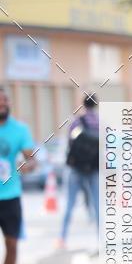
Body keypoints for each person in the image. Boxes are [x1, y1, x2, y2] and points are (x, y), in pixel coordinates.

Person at [0, 87, 36, 264]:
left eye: (4, 102)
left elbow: (32, 159)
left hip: (11, 196)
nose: (2, 105)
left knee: (12, 245)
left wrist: (27, 166)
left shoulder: (20, 129)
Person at [58, 93, 100, 248]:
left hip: (76, 169)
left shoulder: (77, 121)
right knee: (97, 205)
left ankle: (62, 238)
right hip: (94, 169)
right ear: (96, 104)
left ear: (83, 103)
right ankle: (101, 240)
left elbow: (70, 143)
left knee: (69, 204)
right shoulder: (100, 122)